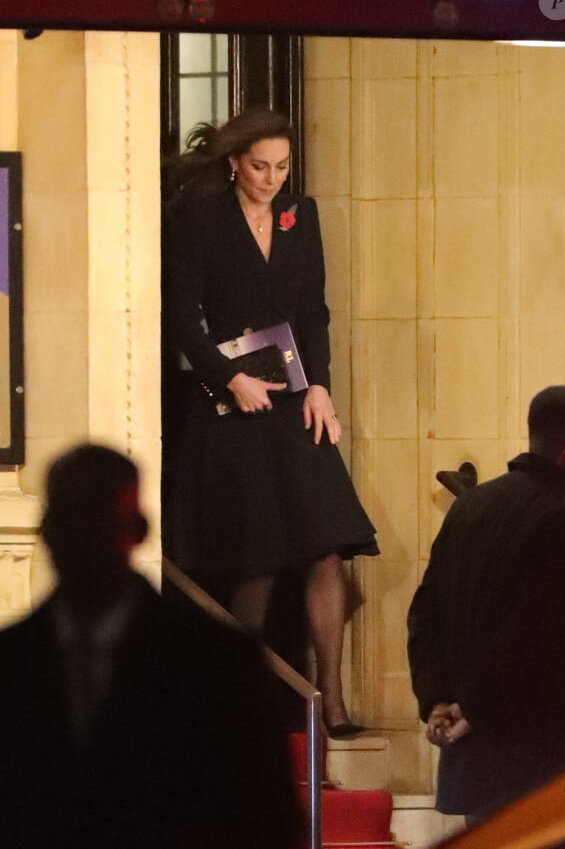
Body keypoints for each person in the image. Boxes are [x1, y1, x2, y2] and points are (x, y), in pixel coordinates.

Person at [166, 107, 379, 737]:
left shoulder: (300, 215)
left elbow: (314, 311)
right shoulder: (202, 217)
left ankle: (334, 705)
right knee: (254, 560)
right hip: (233, 402)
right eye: (259, 166)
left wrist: (321, 387)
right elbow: (181, 316)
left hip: (293, 398)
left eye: (281, 167)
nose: (271, 178)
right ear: (234, 162)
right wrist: (226, 378)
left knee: (327, 546)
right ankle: (238, 709)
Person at [0, 443, 302, 848]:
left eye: (99, 523)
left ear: (137, 531)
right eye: (72, 523)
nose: (84, 542)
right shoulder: (13, 661)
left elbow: (264, 818)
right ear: (49, 533)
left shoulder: (219, 663)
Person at [407, 385, 565, 824]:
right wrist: (476, 708)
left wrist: (437, 700)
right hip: (542, 760)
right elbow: (535, 633)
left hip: (475, 764)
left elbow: (425, 614)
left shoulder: (470, 507)